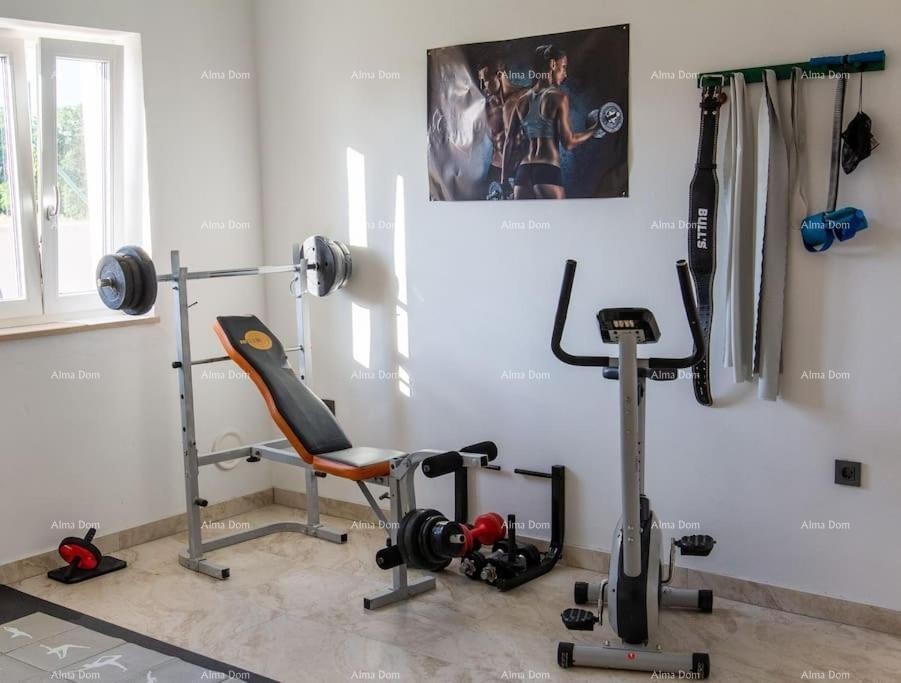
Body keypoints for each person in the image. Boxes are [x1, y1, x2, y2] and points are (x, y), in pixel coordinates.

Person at [502, 44, 598, 199]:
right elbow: (568, 143)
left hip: (523, 173)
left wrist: (503, 181)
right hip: (547, 170)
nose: (565, 74)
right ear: (552, 64)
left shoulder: (521, 101)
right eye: (563, 67)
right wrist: (594, 129)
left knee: (526, 216)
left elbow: (509, 142)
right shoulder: (559, 97)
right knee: (561, 216)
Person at [477, 60, 526, 195]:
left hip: (521, 170)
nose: (482, 86)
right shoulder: (485, 105)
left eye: (485, 81)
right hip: (496, 169)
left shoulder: (524, 97)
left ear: (499, 75)